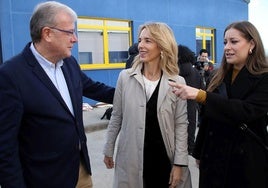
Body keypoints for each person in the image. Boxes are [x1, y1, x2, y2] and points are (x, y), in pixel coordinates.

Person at [0, 1, 114, 188]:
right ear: (47, 33)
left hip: (80, 171)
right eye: (70, 32)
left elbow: (96, 89)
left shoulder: (69, 64)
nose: (75, 39)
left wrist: (134, 93)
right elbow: (5, 147)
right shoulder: (11, 75)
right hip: (43, 178)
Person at [169, 21, 268, 188]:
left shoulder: (264, 77)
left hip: (247, 160)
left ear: (252, 44)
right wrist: (199, 152)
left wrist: (202, 96)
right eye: (225, 42)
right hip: (213, 157)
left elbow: (246, 111)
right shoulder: (218, 75)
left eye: (234, 42)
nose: (227, 47)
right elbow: (208, 118)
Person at [103, 22, 192, 188]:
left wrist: (180, 163)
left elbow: (181, 124)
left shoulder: (177, 82)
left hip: (164, 159)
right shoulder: (125, 77)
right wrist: (109, 148)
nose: (141, 46)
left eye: (148, 41)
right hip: (131, 159)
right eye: (140, 40)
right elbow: (117, 116)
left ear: (162, 45)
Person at [177, 44, 204, 155]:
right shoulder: (196, 73)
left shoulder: (174, 72)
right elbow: (202, 89)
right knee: (191, 132)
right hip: (192, 108)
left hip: (177, 108)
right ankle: (190, 150)